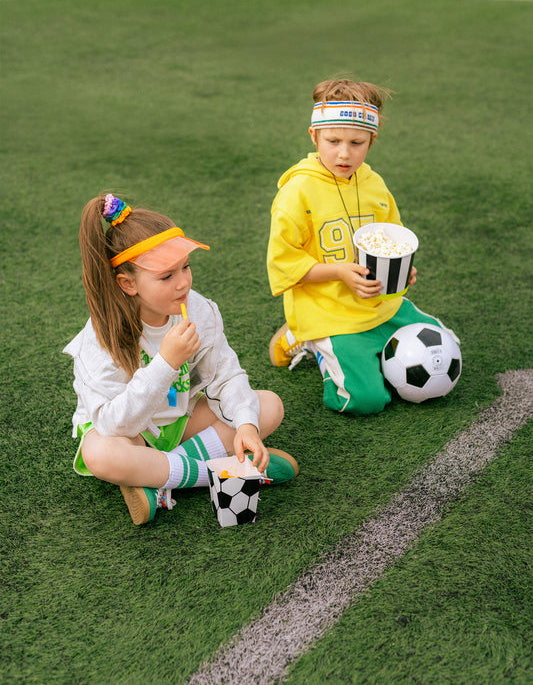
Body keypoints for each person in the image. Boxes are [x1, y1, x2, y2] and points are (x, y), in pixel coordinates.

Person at [64, 193, 298, 525]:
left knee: (268, 406)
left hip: (180, 418)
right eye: (166, 276)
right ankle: (227, 472)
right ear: (128, 284)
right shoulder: (101, 335)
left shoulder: (198, 309)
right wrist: (166, 363)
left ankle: (158, 477)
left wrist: (246, 424)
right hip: (128, 432)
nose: (183, 282)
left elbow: (226, 376)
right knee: (100, 455)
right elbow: (115, 424)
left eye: (185, 267)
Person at [267, 78, 457, 415]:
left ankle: (368, 348)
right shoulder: (296, 193)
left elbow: (393, 236)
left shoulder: (373, 183)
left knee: (447, 345)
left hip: (381, 304)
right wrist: (340, 272)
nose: (344, 153)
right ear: (314, 136)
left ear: (371, 140)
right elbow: (284, 264)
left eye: (356, 142)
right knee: (365, 401)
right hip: (330, 313)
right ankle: (306, 337)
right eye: (333, 141)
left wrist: (403, 268)